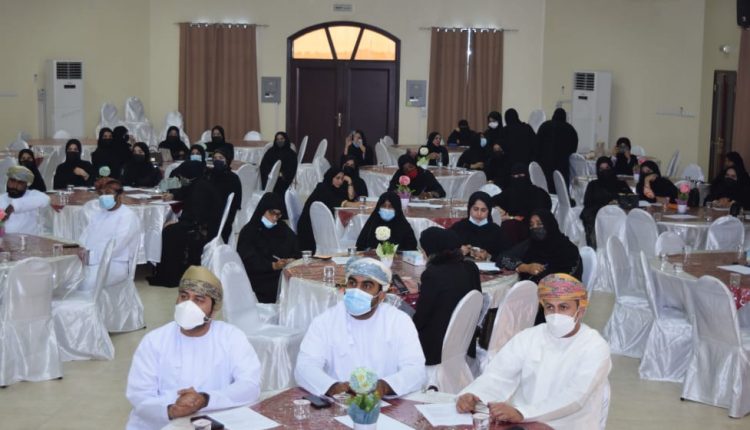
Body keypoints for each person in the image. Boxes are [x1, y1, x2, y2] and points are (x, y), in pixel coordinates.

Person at [456, 274, 611, 430]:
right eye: (550, 307)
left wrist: (522, 413)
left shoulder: (594, 346)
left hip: (569, 424)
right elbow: (498, 375)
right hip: (524, 423)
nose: (556, 314)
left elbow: (576, 396)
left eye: (563, 307)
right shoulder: (530, 337)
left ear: (581, 311)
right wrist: (473, 394)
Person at [126, 266, 261, 430]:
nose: (188, 305)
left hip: (214, 423)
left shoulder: (231, 337)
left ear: (213, 309)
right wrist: (172, 410)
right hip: (161, 424)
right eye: (184, 296)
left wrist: (205, 399)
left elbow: (250, 385)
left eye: (199, 299)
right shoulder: (154, 341)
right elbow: (139, 396)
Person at [294, 257, 426, 397]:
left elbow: (416, 370)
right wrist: (333, 387)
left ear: (381, 296)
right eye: (352, 283)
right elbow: (305, 367)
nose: (357, 291)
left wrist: (384, 386)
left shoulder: (399, 321)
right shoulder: (325, 321)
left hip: (386, 401)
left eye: (367, 286)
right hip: (338, 401)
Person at [412, 227, 481, 366]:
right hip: (465, 339)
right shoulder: (470, 267)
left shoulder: (432, 274)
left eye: (423, 249)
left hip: (438, 347)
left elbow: (421, 317)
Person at [148, 161, 222, 287]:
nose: (182, 178)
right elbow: (185, 193)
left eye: (183, 176)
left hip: (202, 229)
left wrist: (178, 222)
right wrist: (173, 195)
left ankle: (171, 276)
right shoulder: (199, 183)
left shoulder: (200, 189)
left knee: (169, 232)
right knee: (171, 229)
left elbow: (196, 217)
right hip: (202, 224)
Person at [79, 178, 141, 292]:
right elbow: (84, 236)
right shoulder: (99, 214)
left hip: (113, 264)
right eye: (101, 193)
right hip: (90, 261)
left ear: (120, 195)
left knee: (85, 284)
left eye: (108, 193)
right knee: (66, 278)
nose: (103, 197)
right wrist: (81, 250)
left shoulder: (127, 216)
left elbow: (116, 247)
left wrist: (90, 256)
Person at [237, 193, 300, 303]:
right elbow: (248, 260)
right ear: (263, 210)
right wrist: (272, 265)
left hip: (283, 274)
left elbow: (296, 247)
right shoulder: (249, 231)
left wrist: (291, 260)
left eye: (278, 215)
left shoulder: (282, 228)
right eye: (272, 213)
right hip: (260, 280)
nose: (275, 218)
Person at [497, 210, 582, 284]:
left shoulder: (568, 249)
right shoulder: (531, 243)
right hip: (530, 290)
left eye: (539, 224)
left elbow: (567, 280)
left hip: (561, 293)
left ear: (550, 225)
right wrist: (525, 267)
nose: (535, 227)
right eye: (531, 225)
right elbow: (502, 258)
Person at [296, 167, 355, 253]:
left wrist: (349, 181)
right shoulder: (323, 188)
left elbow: (351, 197)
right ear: (330, 177)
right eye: (337, 178)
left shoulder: (336, 188)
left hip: (320, 225)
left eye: (342, 179)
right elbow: (345, 204)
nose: (340, 182)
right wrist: (363, 206)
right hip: (309, 228)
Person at [493, 163, 552, 245]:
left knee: (509, 226)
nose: (518, 179)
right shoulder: (510, 192)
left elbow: (541, 214)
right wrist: (498, 208)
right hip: (515, 229)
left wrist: (513, 217)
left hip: (535, 228)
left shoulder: (538, 193)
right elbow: (491, 200)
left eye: (521, 176)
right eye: (515, 177)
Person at [579, 157, 633, 247]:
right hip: (598, 217)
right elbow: (587, 203)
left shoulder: (621, 184)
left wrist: (617, 202)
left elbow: (631, 200)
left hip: (619, 219)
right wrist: (605, 205)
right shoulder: (593, 185)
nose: (605, 171)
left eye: (607, 168)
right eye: (601, 169)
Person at [450, 191, 511, 260]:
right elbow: (444, 251)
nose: (479, 213)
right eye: (475, 209)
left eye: (483, 210)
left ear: (489, 211)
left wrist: (489, 256)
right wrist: (459, 251)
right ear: (469, 208)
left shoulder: (497, 231)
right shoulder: (459, 227)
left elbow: (508, 257)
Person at [536, 108, 578, 193]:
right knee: (561, 186)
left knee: (547, 186)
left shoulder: (544, 126)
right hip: (562, 163)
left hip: (545, 163)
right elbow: (574, 147)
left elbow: (537, 144)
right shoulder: (570, 129)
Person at [0, 166, 50, 235]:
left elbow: (46, 199)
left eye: (20, 183)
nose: (15, 186)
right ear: (7, 180)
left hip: (30, 240)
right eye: (12, 181)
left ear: (27, 185)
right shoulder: (1, 198)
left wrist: (13, 206)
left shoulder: (32, 195)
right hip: (5, 240)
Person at [208, 146, 241, 242]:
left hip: (222, 218)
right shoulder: (209, 175)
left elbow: (235, 203)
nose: (217, 160)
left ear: (227, 160)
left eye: (221, 158)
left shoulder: (233, 178)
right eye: (215, 158)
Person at [259, 131, 298, 196]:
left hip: (283, 180)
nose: (280, 141)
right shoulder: (270, 151)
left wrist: (281, 174)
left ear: (286, 139)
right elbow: (263, 165)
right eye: (278, 139)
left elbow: (292, 169)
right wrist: (271, 173)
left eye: (282, 139)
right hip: (269, 179)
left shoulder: (291, 154)